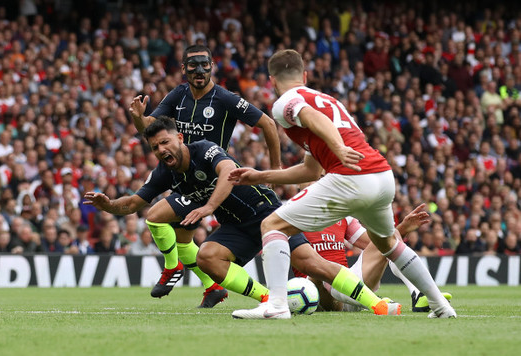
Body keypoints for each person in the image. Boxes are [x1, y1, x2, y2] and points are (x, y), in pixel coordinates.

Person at [85, 117, 400, 316]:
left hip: (267, 214)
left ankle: (378, 305)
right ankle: (266, 298)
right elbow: (132, 204)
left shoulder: (204, 150)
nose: (162, 150)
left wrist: (208, 207)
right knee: (208, 256)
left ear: (179, 138)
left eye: (165, 142)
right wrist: (108, 204)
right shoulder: (164, 174)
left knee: (309, 264)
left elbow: (227, 173)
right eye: (155, 147)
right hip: (236, 226)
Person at [229, 49, 456, 319]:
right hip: (382, 176)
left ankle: (276, 306)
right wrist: (262, 175)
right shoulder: (329, 99)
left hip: (351, 176)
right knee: (390, 245)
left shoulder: (285, 102)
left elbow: (315, 118)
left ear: (272, 80)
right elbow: (311, 169)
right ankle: (441, 306)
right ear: (304, 74)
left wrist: (338, 147)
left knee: (271, 225)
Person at [128, 44, 282, 304]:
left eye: (204, 65)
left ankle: (174, 267)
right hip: (182, 174)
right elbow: (150, 129)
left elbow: (267, 123)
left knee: (155, 217)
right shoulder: (178, 96)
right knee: (181, 237)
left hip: (213, 178)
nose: (199, 70)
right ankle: (212, 287)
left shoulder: (225, 98)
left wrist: (275, 170)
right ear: (183, 69)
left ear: (212, 66)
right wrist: (138, 118)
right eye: (193, 65)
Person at [295, 203, 452, 312]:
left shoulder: (342, 217)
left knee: (387, 233)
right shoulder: (290, 217)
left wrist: (402, 229)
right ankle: (374, 302)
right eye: (310, 177)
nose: (315, 182)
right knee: (319, 275)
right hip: (315, 293)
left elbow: (379, 244)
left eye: (321, 177)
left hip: (349, 286)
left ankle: (417, 294)